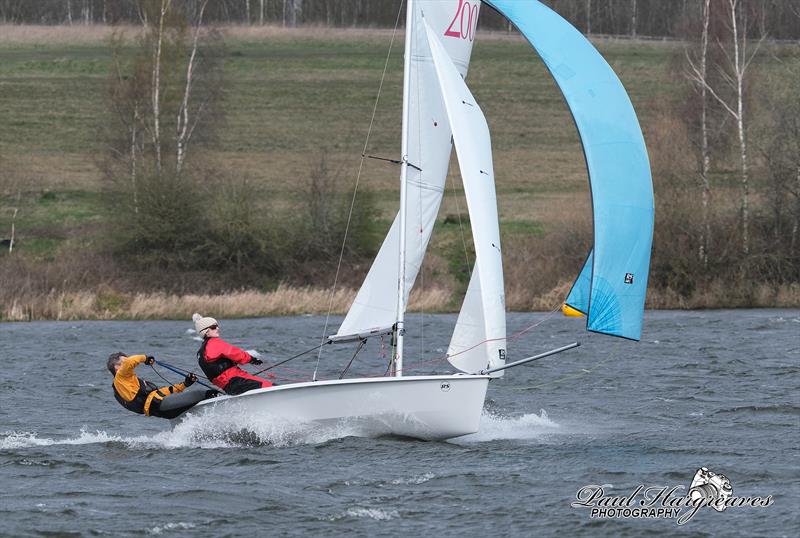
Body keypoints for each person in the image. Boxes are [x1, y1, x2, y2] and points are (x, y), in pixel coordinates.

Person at [108, 352, 217, 419]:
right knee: (207, 393)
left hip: (166, 409)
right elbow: (131, 361)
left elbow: (162, 392)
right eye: (124, 361)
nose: (128, 362)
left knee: (199, 398)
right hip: (162, 407)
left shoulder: (131, 383)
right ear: (117, 367)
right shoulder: (120, 378)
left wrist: (185, 384)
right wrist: (145, 358)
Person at [193, 313, 275, 395]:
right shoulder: (214, 343)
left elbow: (217, 366)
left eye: (217, 326)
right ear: (206, 332)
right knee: (272, 386)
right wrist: (252, 359)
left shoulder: (200, 353)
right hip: (237, 381)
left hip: (228, 387)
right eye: (214, 327)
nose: (217, 328)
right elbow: (237, 354)